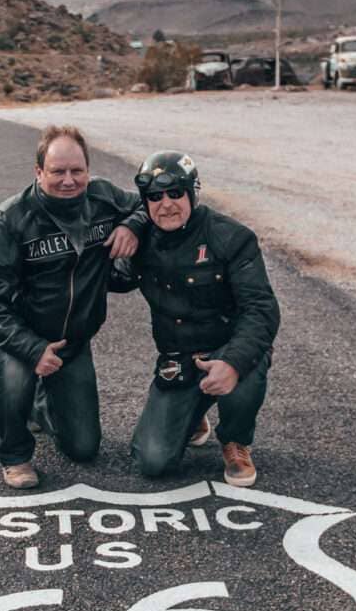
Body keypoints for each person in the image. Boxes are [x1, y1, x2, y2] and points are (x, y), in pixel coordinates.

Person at [0, 126, 144, 489]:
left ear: (88, 170)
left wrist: (132, 225)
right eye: (57, 171)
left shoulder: (104, 198)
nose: (69, 180)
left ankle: (40, 403)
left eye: (77, 171)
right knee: (16, 374)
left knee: (83, 448)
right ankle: (15, 455)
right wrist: (32, 349)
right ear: (39, 172)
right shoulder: (9, 221)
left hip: (72, 341)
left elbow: (150, 205)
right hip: (17, 335)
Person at [112, 151, 280, 487]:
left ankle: (235, 440)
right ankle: (194, 413)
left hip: (228, 348)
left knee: (249, 361)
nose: (166, 204)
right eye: (155, 197)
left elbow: (262, 310)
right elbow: (109, 280)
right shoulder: (141, 241)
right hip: (178, 357)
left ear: (192, 192)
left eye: (176, 193)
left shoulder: (231, 237)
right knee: (152, 461)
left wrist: (232, 363)